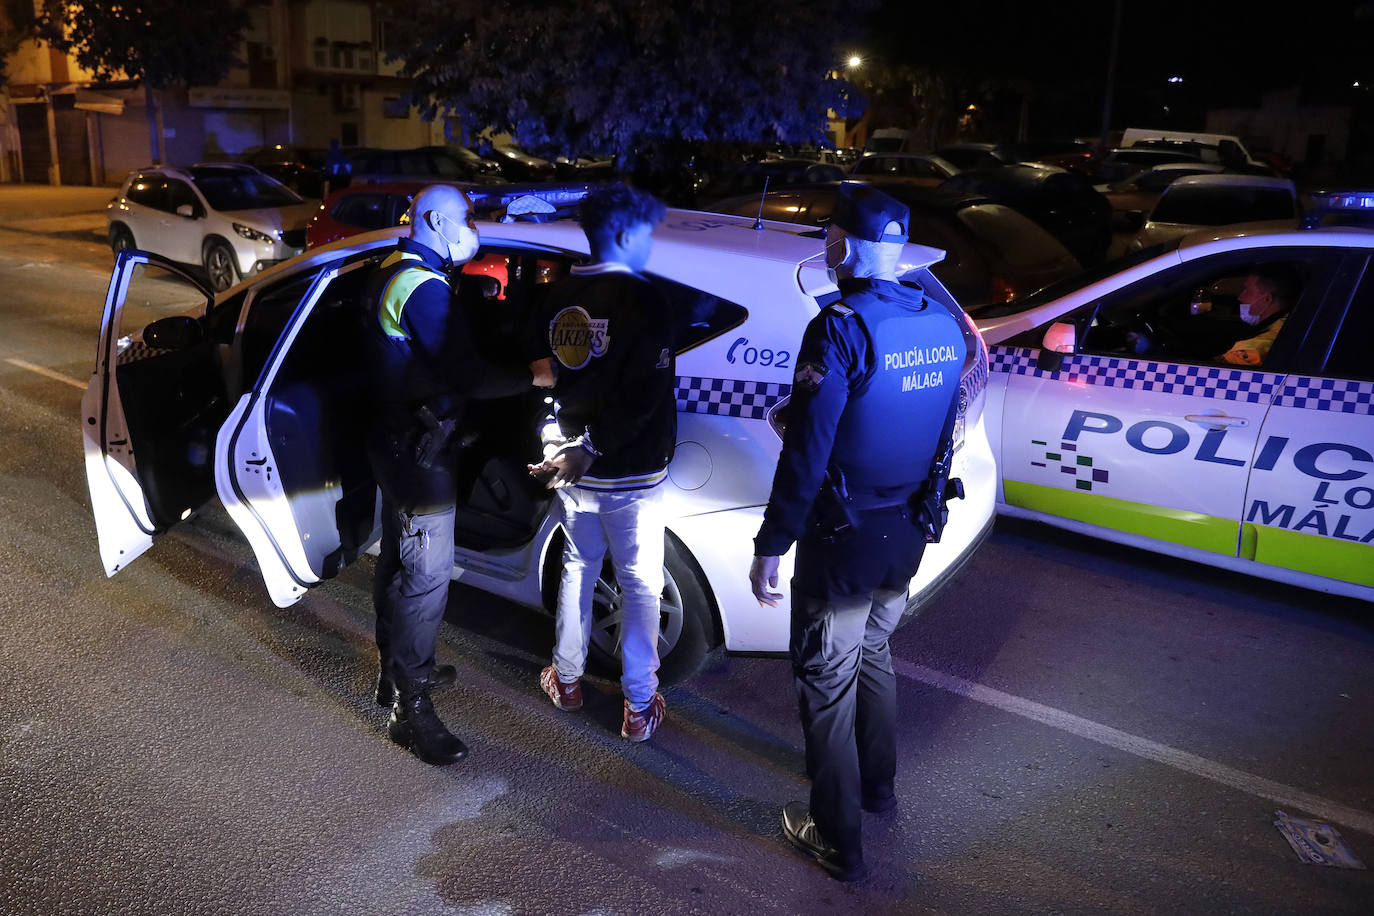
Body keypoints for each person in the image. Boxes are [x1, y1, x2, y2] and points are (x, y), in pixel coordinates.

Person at [749, 183, 968, 881]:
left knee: (825, 676)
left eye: (828, 236)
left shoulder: (839, 324)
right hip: (907, 531)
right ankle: (877, 787)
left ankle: (836, 835)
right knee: (873, 651)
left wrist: (773, 543)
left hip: (843, 538)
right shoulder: (941, 320)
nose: (825, 247)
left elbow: (807, 450)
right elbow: (942, 426)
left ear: (843, 245)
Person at [364, 183, 553, 766]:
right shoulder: (420, 286)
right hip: (417, 452)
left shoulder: (393, 269)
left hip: (399, 442)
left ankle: (393, 675)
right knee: (426, 576)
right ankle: (411, 711)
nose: (473, 227)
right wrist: (532, 376)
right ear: (434, 221)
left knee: (400, 561)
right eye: (466, 218)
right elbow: (465, 373)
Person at [527, 184, 676, 743]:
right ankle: (639, 705)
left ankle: (566, 679)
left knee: (577, 568)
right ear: (622, 233)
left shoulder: (555, 298)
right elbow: (646, 394)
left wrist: (560, 446)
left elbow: (544, 380)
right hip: (629, 471)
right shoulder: (650, 301)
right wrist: (596, 443)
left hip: (573, 469)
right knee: (639, 584)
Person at [1215, 268, 1294, 366]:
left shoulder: (1254, 349)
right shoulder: (1286, 324)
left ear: (1266, 299)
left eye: (1247, 290)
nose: (1240, 297)